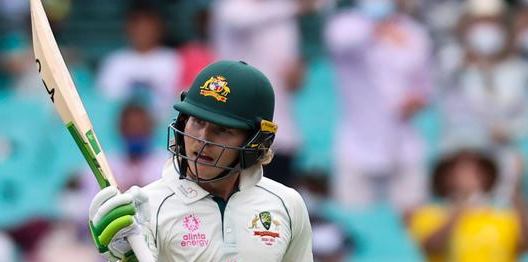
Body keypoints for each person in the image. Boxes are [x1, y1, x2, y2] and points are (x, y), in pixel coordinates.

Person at [89, 61, 329, 262]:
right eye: (197, 122)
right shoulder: (146, 205)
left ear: (255, 142)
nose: (202, 141)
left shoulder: (285, 203)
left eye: (222, 130)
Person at [325, 0, 432, 214]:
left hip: (404, 146)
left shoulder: (415, 32)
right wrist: (377, 24)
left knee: (413, 226)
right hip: (356, 148)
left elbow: (425, 85)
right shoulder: (344, 25)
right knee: (355, 223)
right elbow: (343, 41)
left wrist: (417, 100)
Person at [210, 0, 316, 186]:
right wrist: (296, 7)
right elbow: (241, 20)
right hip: (236, 136)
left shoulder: (285, 18)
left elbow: (293, 79)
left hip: (280, 137)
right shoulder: (230, 8)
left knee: (275, 211)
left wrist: (296, 75)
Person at [439, 0, 528, 205]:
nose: (485, 29)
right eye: (478, 22)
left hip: (505, 161)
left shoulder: (517, 70)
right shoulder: (452, 64)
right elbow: (448, 112)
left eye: (492, 22)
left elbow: (524, 115)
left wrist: (509, 130)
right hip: (466, 163)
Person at [95, 5, 180, 121]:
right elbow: (105, 104)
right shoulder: (114, 62)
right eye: (137, 25)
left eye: (148, 26)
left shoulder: (174, 60)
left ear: (160, 28)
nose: (142, 31)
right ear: (128, 28)